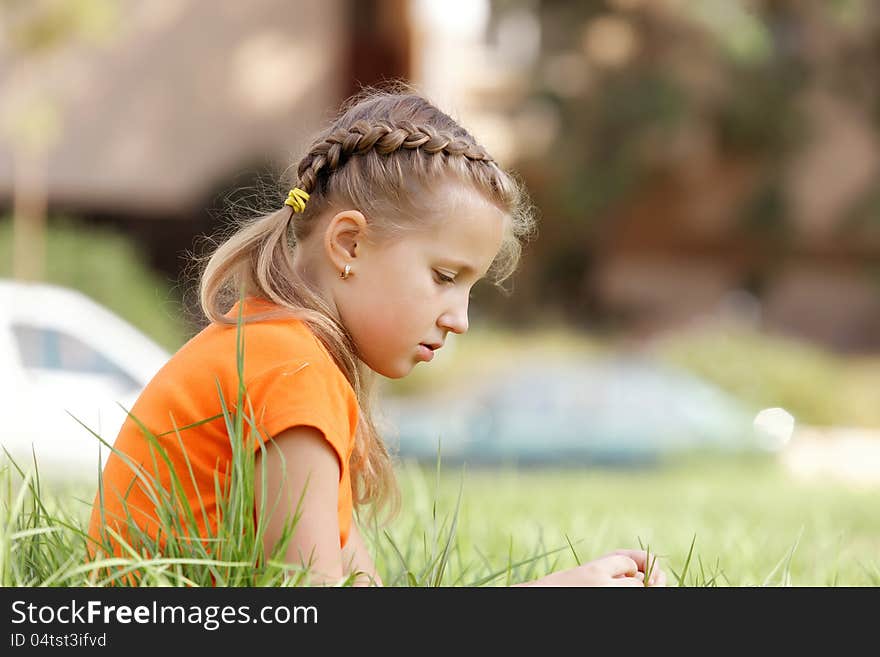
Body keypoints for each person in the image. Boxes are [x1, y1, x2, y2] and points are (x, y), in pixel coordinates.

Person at [87, 83, 666, 587]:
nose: (458, 318)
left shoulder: (287, 355)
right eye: (444, 277)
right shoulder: (290, 374)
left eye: (469, 289)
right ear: (349, 244)